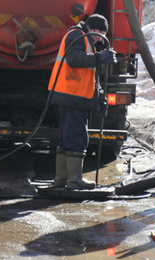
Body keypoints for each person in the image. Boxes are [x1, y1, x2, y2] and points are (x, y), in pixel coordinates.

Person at [48, 14, 116, 189]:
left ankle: (62, 179)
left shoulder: (83, 39)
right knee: (77, 137)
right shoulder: (78, 36)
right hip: (72, 95)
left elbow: (90, 76)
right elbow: (74, 59)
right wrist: (100, 58)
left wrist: (98, 99)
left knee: (67, 138)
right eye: (101, 34)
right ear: (96, 30)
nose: (101, 40)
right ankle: (74, 180)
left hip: (70, 95)